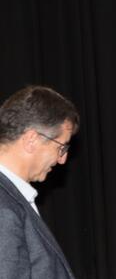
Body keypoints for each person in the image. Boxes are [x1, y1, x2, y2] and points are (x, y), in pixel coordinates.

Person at [0, 85, 80, 279]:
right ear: (31, 140)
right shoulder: (3, 208)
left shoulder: (11, 199)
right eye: (61, 147)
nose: (62, 159)